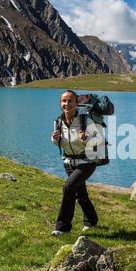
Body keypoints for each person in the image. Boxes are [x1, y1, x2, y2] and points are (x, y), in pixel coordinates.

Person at [51, 89, 101, 237]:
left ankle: (62, 228)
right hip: (69, 162)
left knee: (68, 187)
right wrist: (55, 139)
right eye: (63, 101)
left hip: (87, 161)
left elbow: (99, 141)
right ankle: (91, 221)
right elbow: (61, 143)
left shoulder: (86, 121)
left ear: (77, 103)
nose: (66, 104)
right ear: (60, 103)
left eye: (70, 101)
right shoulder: (58, 122)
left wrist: (85, 139)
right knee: (80, 193)